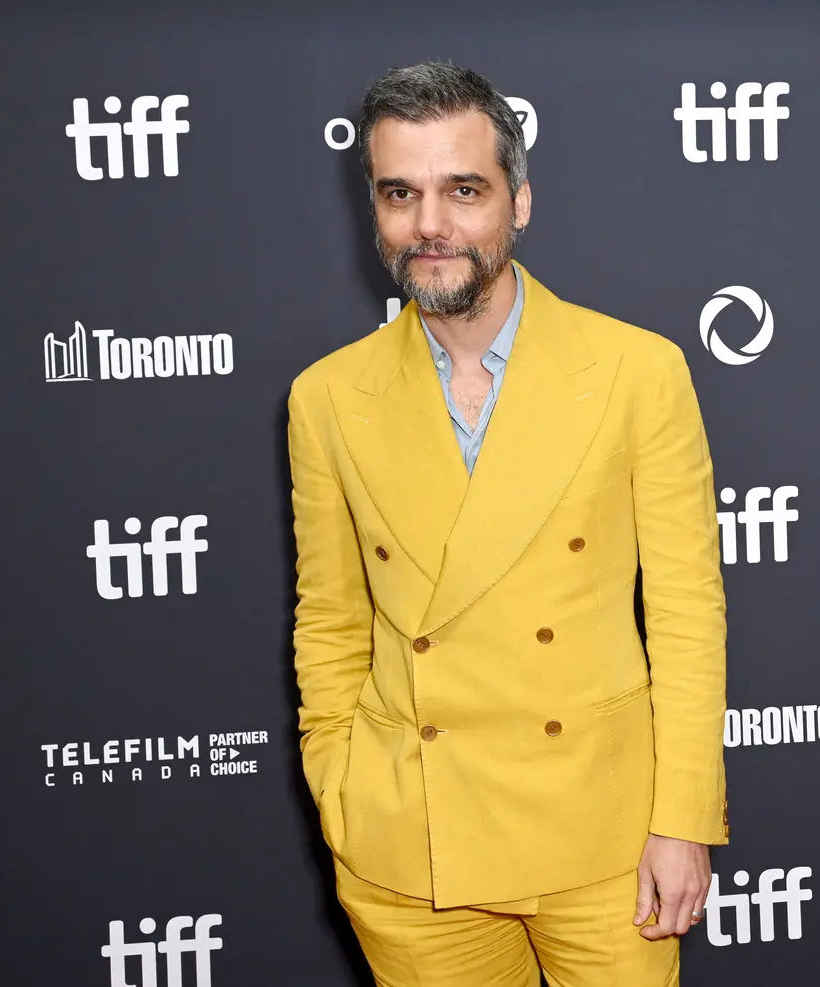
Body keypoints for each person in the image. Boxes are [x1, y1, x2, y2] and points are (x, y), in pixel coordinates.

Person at [286, 60, 728, 987]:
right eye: (400, 193)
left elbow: (688, 614)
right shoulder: (326, 398)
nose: (431, 225)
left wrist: (683, 818)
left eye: (464, 190)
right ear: (373, 206)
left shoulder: (637, 371)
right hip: (414, 849)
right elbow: (330, 619)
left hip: (603, 841)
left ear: (519, 201)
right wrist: (343, 795)